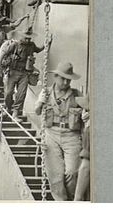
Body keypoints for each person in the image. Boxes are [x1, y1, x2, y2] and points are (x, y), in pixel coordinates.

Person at [35, 62, 83, 201]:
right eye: (63, 78)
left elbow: (87, 112)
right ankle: (61, 203)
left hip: (71, 136)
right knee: (55, 176)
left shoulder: (77, 94)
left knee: (72, 172)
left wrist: (86, 115)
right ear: (56, 77)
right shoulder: (46, 92)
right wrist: (40, 102)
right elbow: (37, 112)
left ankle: (73, 199)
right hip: (51, 134)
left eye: (69, 79)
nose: (66, 82)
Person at [0, 29, 43, 122]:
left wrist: (46, 45)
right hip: (13, 72)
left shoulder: (32, 45)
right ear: (22, 37)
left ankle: (15, 114)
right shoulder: (15, 45)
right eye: (26, 38)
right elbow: (2, 54)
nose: (28, 40)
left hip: (24, 73)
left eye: (29, 38)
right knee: (8, 93)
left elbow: (38, 50)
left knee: (21, 94)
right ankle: (7, 108)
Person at [74, 94, 90, 201]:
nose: (83, 113)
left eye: (86, 109)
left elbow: (86, 167)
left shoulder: (90, 130)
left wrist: (77, 198)